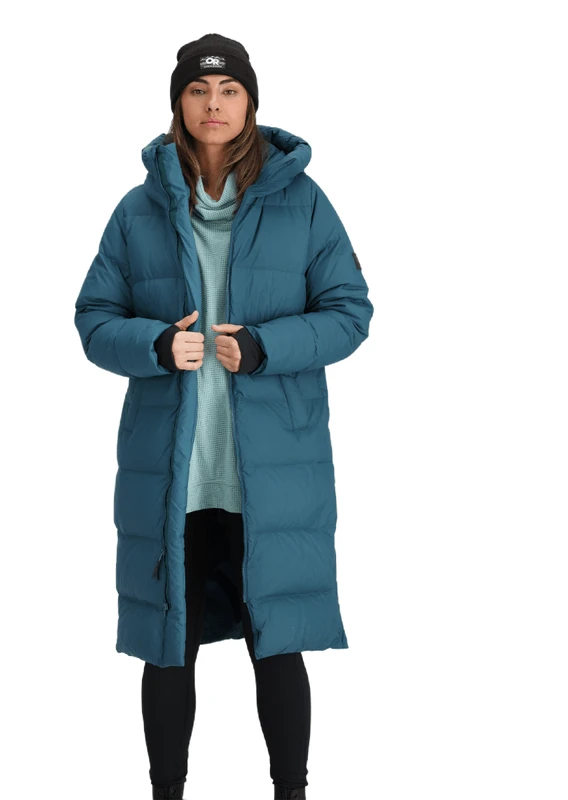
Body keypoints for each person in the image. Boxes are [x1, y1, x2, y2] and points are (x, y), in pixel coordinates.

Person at [74, 32, 374, 800]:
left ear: (250, 103)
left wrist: (268, 347)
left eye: (229, 91)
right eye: (199, 91)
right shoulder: (139, 210)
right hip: (172, 474)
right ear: (179, 103)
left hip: (269, 474)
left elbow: (350, 312)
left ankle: (291, 792)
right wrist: (153, 344)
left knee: (277, 645)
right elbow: (94, 318)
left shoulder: (303, 203)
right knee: (168, 646)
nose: (214, 104)